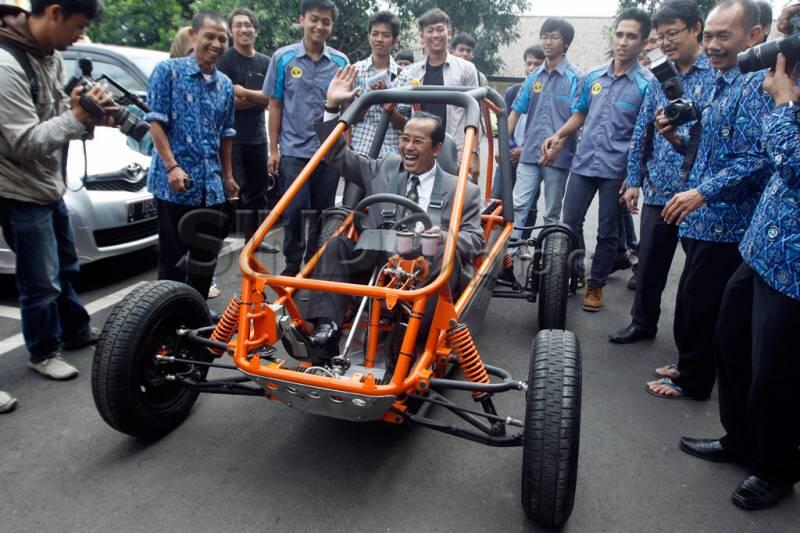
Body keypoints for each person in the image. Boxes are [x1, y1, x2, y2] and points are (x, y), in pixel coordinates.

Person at [679, 51, 800, 510]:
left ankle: (776, 468)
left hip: (795, 271)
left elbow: (791, 165)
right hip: (763, 249)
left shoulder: (786, 102)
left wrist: (785, 105)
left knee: (778, 373)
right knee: (730, 343)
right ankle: (741, 439)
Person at [301, 65, 484, 357]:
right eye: (405, 139)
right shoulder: (383, 166)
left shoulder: (463, 189)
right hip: (377, 258)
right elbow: (335, 155)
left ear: (437, 149)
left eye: (418, 141)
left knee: (442, 250)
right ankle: (326, 330)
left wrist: (446, 236)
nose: (408, 147)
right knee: (337, 245)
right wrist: (332, 107)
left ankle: (406, 343)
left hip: (425, 271)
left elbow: (475, 239)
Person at [645, 0, 772, 400]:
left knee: (704, 304)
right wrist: (674, 137)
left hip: (728, 220)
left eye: (723, 36)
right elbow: (711, 147)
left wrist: (703, 191)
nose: (712, 45)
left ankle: (694, 381)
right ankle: (689, 366)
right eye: (710, 36)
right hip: (703, 216)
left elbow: (757, 158)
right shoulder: (724, 79)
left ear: (754, 36)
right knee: (692, 299)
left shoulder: (756, 84)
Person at [0, 0, 109, 395]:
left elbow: (57, 117)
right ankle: (43, 352)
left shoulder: (48, 57)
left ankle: (75, 331)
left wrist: (88, 113)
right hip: (19, 190)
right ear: (54, 12)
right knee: (39, 279)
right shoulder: (7, 65)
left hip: (48, 186)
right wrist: (76, 118)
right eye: (77, 26)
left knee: (66, 265)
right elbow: (23, 141)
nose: (80, 36)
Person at [611, 0, 716, 344]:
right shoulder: (661, 75)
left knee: (698, 278)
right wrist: (634, 181)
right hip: (658, 188)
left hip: (700, 196)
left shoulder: (716, 73)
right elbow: (642, 129)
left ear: (695, 29)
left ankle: (692, 346)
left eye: (673, 33)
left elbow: (715, 138)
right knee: (650, 265)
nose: (666, 42)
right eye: (661, 36)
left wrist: (677, 137)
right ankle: (642, 324)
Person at [542, 8, 653, 311]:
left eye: (631, 36)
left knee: (608, 231)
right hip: (583, 164)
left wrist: (636, 176)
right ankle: (572, 275)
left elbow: (647, 135)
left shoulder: (647, 84)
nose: (623, 42)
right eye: (619, 34)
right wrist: (560, 135)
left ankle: (596, 284)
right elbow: (580, 112)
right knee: (568, 224)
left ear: (643, 42)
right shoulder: (593, 76)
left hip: (617, 170)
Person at [145, 11, 239, 301]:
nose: (216, 43)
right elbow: (155, 122)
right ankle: (167, 321)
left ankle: (196, 317)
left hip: (211, 188)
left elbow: (226, 134)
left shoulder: (224, 84)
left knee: (205, 259)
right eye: (209, 36)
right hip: (175, 186)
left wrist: (228, 177)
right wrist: (172, 166)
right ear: (193, 35)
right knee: (172, 261)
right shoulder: (167, 71)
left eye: (222, 39)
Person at [263, 0, 349, 277]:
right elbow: (275, 105)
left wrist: (343, 149)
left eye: (326, 21)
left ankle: (313, 266)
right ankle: (291, 266)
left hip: (328, 153)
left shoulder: (340, 62)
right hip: (293, 152)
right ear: (302, 19)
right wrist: (273, 149)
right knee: (295, 212)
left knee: (323, 214)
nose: (320, 26)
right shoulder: (283, 58)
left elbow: (347, 111)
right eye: (314, 19)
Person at [507, 17, 581, 246]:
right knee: (518, 205)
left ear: (566, 43)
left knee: (551, 213)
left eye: (554, 37)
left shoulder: (576, 77)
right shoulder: (534, 77)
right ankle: (509, 255)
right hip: (529, 154)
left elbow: (578, 115)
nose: (548, 42)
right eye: (545, 36)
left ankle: (549, 261)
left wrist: (560, 142)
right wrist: (502, 142)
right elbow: (515, 111)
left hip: (558, 157)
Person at [216, 8, 277, 248]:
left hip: (258, 138)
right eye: (239, 25)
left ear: (256, 29)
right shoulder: (225, 60)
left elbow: (273, 99)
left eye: (248, 24)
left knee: (259, 193)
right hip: (231, 138)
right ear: (231, 30)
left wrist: (243, 92)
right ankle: (217, 241)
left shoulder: (266, 62)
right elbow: (226, 101)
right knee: (232, 192)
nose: (244, 29)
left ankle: (254, 240)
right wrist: (258, 98)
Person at [396, 9, 479, 169]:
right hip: (420, 149)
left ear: (449, 33)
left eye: (440, 29)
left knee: (456, 192)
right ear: (422, 37)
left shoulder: (466, 69)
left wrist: (473, 153)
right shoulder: (411, 72)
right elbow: (404, 114)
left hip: (455, 148)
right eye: (430, 30)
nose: (435, 35)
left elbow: (474, 113)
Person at [491, 44, 544, 202]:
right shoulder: (513, 91)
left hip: (532, 156)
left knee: (527, 202)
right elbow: (505, 123)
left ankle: (521, 228)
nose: (532, 68)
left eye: (537, 64)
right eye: (529, 63)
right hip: (509, 154)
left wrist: (525, 150)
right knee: (497, 198)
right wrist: (505, 148)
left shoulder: (547, 95)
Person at [350, 10, 405, 157]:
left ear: (395, 40)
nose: (379, 39)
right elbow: (349, 118)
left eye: (386, 35)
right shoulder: (355, 71)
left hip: (391, 155)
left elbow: (405, 125)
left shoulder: (405, 77)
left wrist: (386, 104)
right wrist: (369, 99)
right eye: (375, 34)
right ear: (369, 37)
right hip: (358, 151)